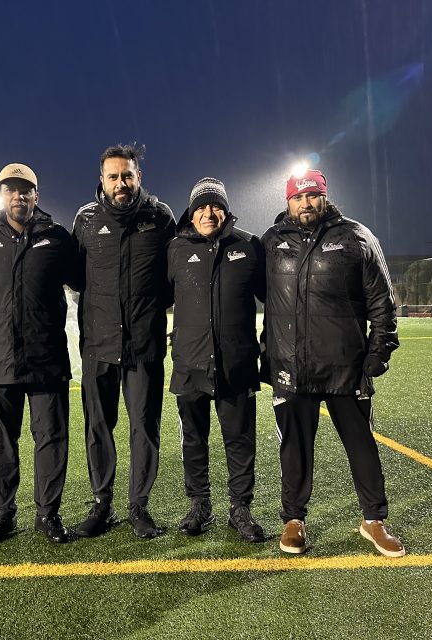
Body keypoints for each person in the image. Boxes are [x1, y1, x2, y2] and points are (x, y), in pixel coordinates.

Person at [261, 169, 405, 557]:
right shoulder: (271, 242)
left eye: (312, 196)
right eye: (297, 197)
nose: (304, 204)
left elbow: (383, 301)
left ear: (324, 197)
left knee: (361, 445)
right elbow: (248, 294)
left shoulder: (356, 237)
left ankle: (373, 519)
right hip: (291, 366)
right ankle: (294, 519)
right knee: (294, 449)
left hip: (346, 367)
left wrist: (378, 351)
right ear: (287, 200)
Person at [72, 143, 175, 538]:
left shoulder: (160, 217)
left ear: (139, 178)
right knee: (98, 427)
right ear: (102, 180)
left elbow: (171, 277)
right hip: (97, 344)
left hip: (143, 346)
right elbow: (75, 276)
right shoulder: (85, 219)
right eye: (113, 176)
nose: (121, 183)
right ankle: (102, 504)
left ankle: (138, 506)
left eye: (127, 175)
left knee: (144, 427)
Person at [0, 163, 78, 546]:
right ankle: (3, 515)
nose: (18, 196)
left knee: (51, 438)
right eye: (10, 189)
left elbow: (87, 283)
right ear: (1, 193)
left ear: (37, 195)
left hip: (46, 358)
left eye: (25, 189)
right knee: (1, 441)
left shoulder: (58, 238)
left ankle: (48, 514)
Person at [167, 178, 266, 542]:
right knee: (194, 441)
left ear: (225, 209)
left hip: (235, 366)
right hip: (190, 365)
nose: (209, 213)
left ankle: (240, 508)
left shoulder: (249, 246)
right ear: (191, 213)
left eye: (215, 205)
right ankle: (200, 505)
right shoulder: (175, 249)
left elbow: (276, 298)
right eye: (201, 207)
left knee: (239, 441)